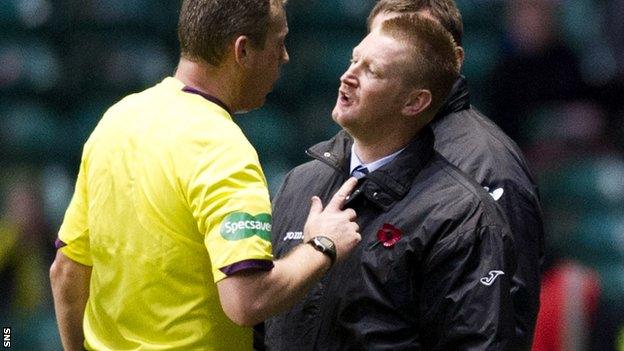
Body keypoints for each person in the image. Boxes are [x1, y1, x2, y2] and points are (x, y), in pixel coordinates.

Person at [49, 0, 361, 350]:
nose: (285, 57)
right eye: (279, 42)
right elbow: (247, 301)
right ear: (242, 51)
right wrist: (322, 246)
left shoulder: (117, 120)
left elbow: (66, 274)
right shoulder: (224, 150)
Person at [263, 14, 517, 349]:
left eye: (371, 71)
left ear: (414, 102)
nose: (347, 77)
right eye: (353, 60)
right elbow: (260, 328)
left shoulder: (462, 215)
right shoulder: (299, 183)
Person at [367, 1, 545, 349]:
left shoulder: (492, 169)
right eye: (383, 45)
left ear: (456, 60)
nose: (396, 60)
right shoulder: (347, 152)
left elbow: (502, 329)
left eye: (417, 48)